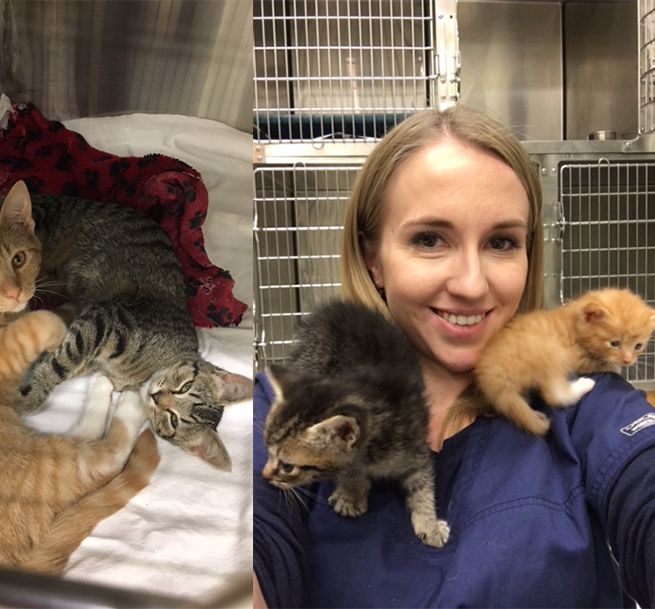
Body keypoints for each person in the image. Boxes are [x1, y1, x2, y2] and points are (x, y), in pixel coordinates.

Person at [252, 106, 655, 608]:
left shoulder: (586, 404)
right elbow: (248, 537)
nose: (471, 284)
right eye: (429, 240)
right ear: (375, 259)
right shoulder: (288, 407)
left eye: (502, 242)